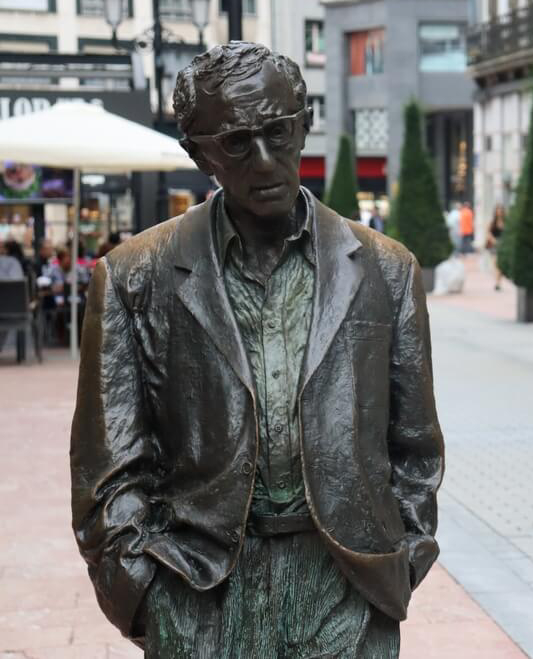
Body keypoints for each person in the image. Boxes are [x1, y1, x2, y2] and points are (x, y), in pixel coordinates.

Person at [70, 42, 444, 658]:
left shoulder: (386, 270)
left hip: (346, 586)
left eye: (278, 132)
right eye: (238, 143)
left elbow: (416, 448)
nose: (266, 160)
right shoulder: (135, 276)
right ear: (199, 152)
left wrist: (402, 558)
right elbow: (105, 467)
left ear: (303, 124)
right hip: (199, 589)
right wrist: (145, 593)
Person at [486, 205, 506, 291]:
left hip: (503, 245)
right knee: (496, 264)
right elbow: (488, 232)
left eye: (501, 211)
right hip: (494, 246)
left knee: (500, 265)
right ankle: (497, 283)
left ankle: (498, 282)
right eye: (498, 210)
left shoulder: (506, 222)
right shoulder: (492, 222)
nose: (499, 212)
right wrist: (493, 240)